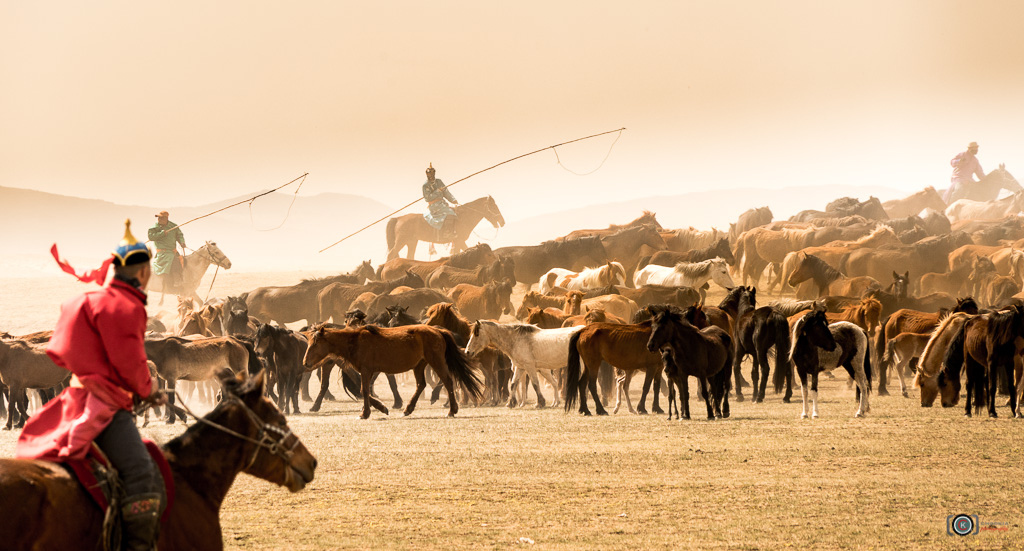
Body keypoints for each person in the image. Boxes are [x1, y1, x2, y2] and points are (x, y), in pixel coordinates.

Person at [17, 220, 168, 551]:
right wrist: (151, 390)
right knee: (141, 472)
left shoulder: (82, 301)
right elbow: (131, 366)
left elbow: (62, 351)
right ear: (143, 273)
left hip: (73, 399)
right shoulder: (127, 306)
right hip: (107, 405)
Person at [148, 210, 186, 289]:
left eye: (161, 218)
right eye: (158, 218)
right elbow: (151, 237)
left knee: (182, 260)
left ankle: (182, 279)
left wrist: (182, 242)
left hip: (173, 251)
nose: (159, 219)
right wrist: (161, 234)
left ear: (166, 218)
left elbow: (179, 235)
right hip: (162, 252)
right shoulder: (154, 227)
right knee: (173, 260)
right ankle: (176, 281)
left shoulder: (174, 226)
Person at [422, 163, 460, 241]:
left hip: (442, 203)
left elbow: (446, 192)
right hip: (433, 205)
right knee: (450, 213)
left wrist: (453, 200)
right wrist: (437, 191)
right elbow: (427, 198)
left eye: (433, 175)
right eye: (430, 175)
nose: (432, 177)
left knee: (454, 210)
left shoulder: (439, 181)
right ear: (427, 175)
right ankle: (447, 233)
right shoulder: (425, 185)